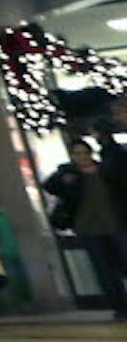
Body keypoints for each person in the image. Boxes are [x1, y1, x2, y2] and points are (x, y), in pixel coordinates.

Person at [43, 94, 127, 319]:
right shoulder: (70, 174)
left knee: (123, 262)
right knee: (104, 270)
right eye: (77, 154)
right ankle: (120, 306)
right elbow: (49, 186)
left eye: (84, 153)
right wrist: (66, 174)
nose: (81, 157)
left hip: (115, 224)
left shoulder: (106, 169)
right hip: (89, 228)